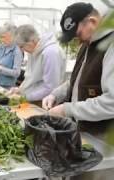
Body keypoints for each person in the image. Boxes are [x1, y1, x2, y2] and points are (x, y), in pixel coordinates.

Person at [42, 3, 114, 179]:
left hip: (103, 142)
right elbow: (78, 81)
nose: (78, 40)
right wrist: (55, 94)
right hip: (83, 135)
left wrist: (68, 109)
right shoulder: (89, 43)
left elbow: (112, 102)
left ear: (92, 21)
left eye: (78, 34)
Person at [10, 24, 66, 105]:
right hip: (31, 100)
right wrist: (20, 89)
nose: (21, 50)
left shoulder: (50, 53)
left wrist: (24, 98)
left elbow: (50, 88)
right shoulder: (33, 50)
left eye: (22, 46)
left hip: (44, 102)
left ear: (32, 41)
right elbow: (30, 77)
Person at [0, 23, 23, 88]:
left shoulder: (16, 52)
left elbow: (16, 73)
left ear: (12, 36)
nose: (2, 39)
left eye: (4, 37)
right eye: (1, 37)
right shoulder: (1, 47)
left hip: (7, 87)